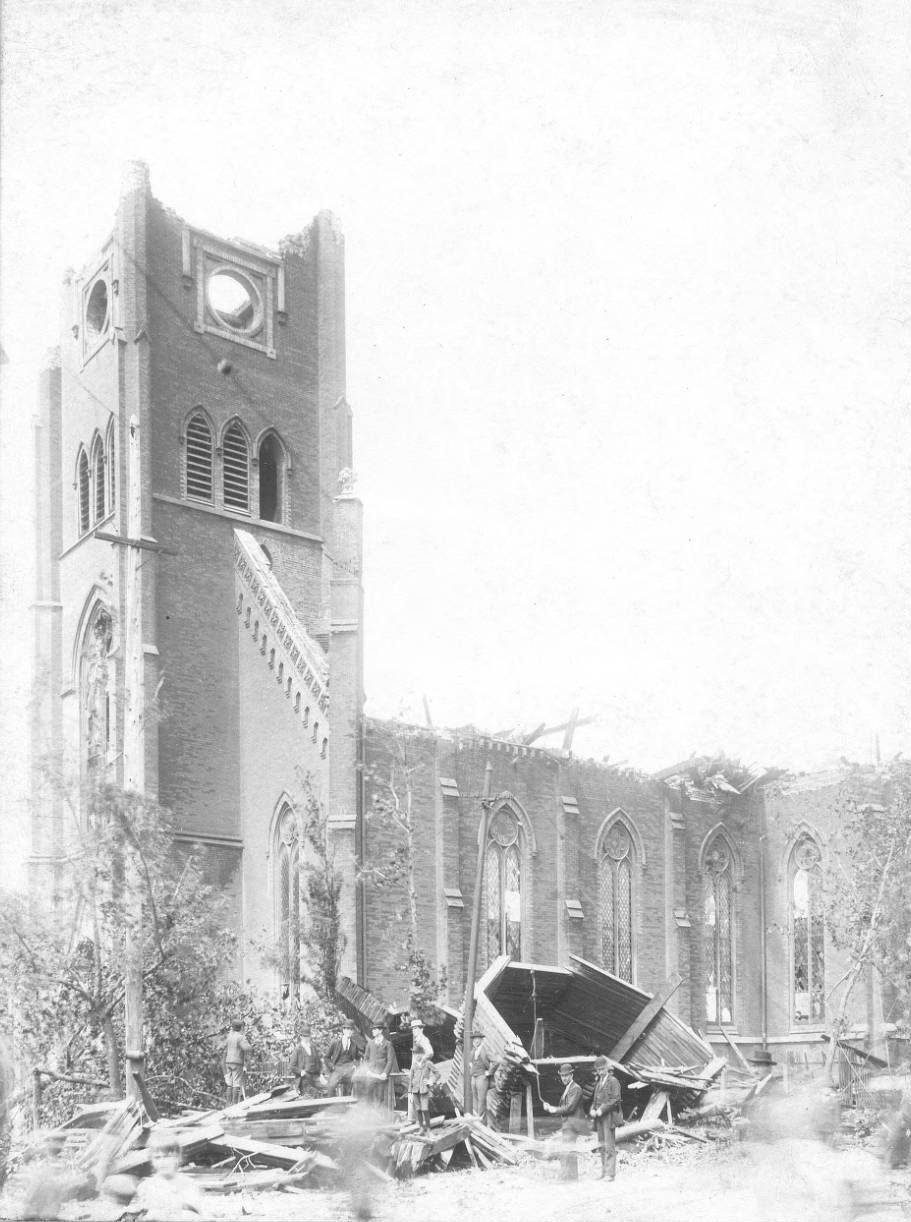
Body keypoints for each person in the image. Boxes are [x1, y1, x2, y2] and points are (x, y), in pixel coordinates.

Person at [132, 1129, 205, 1220]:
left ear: (178, 1157)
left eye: (167, 1157)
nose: (163, 1162)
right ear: (151, 1160)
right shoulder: (145, 1187)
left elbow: (197, 1216)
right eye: (157, 1157)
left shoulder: (189, 1185)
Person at [542, 1062, 589, 1180]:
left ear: (572, 1075)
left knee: (567, 1152)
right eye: (562, 1076)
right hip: (568, 1124)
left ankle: (566, 1178)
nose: (564, 1078)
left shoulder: (576, 1088)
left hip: (573, 1124)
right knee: (569, 1151)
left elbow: (570, 1108)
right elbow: (566, 1106)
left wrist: (553, 1109)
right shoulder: (568, 1088)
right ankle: (572, 1179)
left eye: (566, 1075)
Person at [589, 1056, 622, 1180]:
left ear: (607, 1068)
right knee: (602, 1144)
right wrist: (592, 1109)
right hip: (599, 1118)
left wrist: (601, 1110)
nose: (601, 1072)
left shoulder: (613, 1081)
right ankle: (603, 1172)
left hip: (609, 1116)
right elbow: (594, 1100)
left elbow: (615, 1099)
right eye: (598, 1070)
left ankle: (610, 1174)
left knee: (609, 1145)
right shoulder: (598, 1084)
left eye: (603, 1069)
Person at [360, 1021, 398, 1109]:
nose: (372, 1031)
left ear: (380, 1030)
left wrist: (385, 1073)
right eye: (372, 1029)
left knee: (380, 1098)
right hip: (371, 1076)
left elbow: (390, 1061)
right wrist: (368, 1071)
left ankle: (378, 1119)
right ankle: (369, 1118)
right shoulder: (370, 1044)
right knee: (367, 1097)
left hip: (381, 1076)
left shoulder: (388, 1044)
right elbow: (366, 1059)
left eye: (374, 1029)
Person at [408, 1028, 439, 1134]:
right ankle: (421, 1128)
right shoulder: (414, 1065)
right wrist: (410, 1092)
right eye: (415, 1054)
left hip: (424, 1090)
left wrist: (431, 1081)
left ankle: (429, 1129)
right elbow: (411, 1078)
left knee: (425, 1109)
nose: (417, 1056)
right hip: (415, 1090)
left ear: (423, 1054)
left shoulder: (428, 1063)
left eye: (419, 1054)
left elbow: (437, 1074)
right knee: (418, 1110)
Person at [325, 1018, 362, 1096]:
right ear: (343, 1030)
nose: (349, 1031)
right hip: (336, 1070)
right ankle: (332, 1106)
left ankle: (345, 1106)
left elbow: (358, 1059)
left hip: (348, 1072)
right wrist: (332, 1067)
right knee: (331, 1087)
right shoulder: (335, 1043)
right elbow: (326, 1058)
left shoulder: (354, 1045)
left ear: (353, 1032)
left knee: (348, 1092)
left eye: (351, 1030)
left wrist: (355, 1066)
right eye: (347, 1029)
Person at [221, 1017, 251, 1107]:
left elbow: (225, 1050)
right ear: (241, 1028)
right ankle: (234, 1104)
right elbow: (247, 1048)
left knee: (229, 1084)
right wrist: (249, 1045)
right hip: (237, 1063)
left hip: (228, 1062)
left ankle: (229, 1103)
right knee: (237, 1084)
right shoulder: (241, 1037)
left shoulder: (229, 1038)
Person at [289, 1022, 322, 1096]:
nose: (306, 1038)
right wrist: (301, 1071)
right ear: (301, 1036)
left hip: (315, 1077)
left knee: (327, 1089)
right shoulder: (298, 1049)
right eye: (304, 1036)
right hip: (304, 1079)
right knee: (310, 1095)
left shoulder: (313, 1047)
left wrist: (320, 1074)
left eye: (307, 1036)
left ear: (310, 1036)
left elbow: (318, 1063)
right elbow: (291, 1066)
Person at [469, 1029, 495, 1118]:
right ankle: (476, 1120)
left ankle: (480, 1120)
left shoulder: (485, 1051)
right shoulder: (473, 1051)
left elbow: (497, 1061)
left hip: (482, 1078)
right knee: (475, 1099)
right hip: (474, 1078)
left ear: (481, 1040)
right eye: (474, 1039)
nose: (476, 1040)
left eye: (478, 1039)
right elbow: (471, 1061)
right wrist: (472, 1067)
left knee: (481, 1100)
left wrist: (489, 1072)